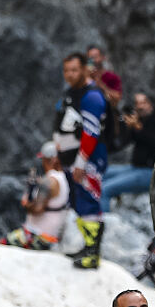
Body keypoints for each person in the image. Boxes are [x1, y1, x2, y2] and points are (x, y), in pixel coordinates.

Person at [54, 53, 112, 270]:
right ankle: (87, 247)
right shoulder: (72, 93)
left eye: (74, 70)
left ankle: (93, 253)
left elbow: (91, 131)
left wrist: (80, 162)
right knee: (78, 200)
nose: (70, 74)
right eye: (66, 70)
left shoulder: (92, 97)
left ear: (85, 70)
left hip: (89, 159)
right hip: (70, 157)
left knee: (88, 200)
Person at [102, 93, 155, 213]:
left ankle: (102, 225)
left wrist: (138, 127)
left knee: (105, 189)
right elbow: (119, 144)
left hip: (151, 172)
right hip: (135, 167)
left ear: (151, 104)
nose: (140, 106)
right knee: (100, 173)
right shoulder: (139, 122)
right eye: (137, 103)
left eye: (143, 102)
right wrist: (123, 126)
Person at [0, 142, 69, 250]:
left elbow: (37, 209)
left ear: (51, 159)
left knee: (0, 245)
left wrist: (27, 203)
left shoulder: (49, 181)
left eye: (44, 159)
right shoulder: (62, 178)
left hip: (39, 235)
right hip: (51, 235)